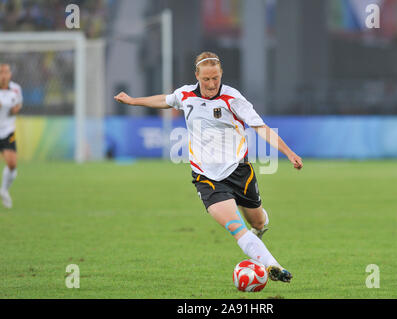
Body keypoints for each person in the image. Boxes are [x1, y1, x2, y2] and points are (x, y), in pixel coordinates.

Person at [114, 52, 303, 283]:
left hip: (239, 170)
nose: (212, 84)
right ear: (197, 76)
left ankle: (260, 232)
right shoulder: (185, 94)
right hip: (206, 177)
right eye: (206, 79)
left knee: (258, 222)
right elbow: (165, 100)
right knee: (237, 228)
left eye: (215, 78)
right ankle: (273, 265)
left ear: (221, 74)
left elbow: (260, 127)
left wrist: (288, 152)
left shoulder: (233, 99)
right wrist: (133, 101)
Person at [0, 64, 22, 209]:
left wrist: (14, 110)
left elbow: (18, 105)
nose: (3, 75)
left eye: (5, 72)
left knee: (12, 164)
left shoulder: (16, 89)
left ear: (10, 74)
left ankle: (4, 190)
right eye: (0, 72)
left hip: (8, 131)